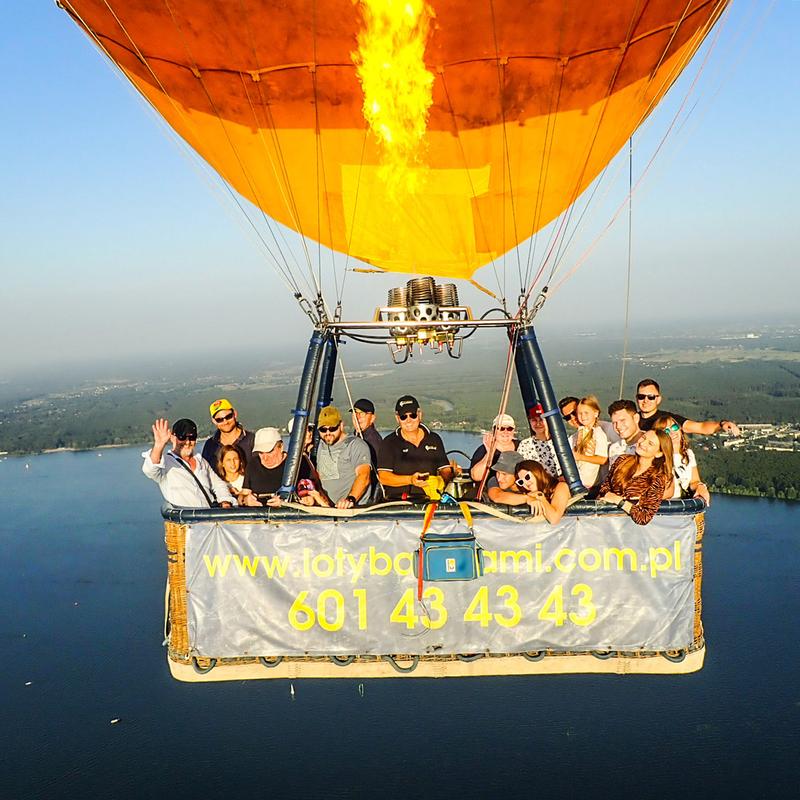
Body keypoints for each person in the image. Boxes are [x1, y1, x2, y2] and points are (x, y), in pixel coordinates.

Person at [142, 418, 234, 508]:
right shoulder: (166, 463)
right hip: (185, 522)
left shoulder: (201, 461)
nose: (187, 442)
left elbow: (218, 484)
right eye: (182, 437)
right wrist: (159, 445)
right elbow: (150, 469)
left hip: (210, 519)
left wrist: (225, 501)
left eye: (191, 437)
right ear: (172, 438)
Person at [378, 395, 453, 501]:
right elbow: (383, 477)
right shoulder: (389, 442)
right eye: (403, 417)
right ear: (397, 418)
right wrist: (410, 480)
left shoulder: (434, 439)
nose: (409, 420)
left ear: (419, 414)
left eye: (412, 415)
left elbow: (445, 470)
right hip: (398, 503)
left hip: (430, 503)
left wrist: (445, 478)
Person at [597, 429, 674, 525]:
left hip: (631, 530)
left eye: (650, 443)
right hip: (606, 522)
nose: (643, 443)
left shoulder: (658, 477)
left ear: (659, 453)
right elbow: (604, 488)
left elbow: (644, 517)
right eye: (643, 438)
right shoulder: (622, 460)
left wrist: (619, 501)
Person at [311, 406, 372, 509]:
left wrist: (350, 499)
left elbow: (364, 476)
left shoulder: (356, 445)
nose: (328, 433)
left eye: (332, 428)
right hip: (328, 509)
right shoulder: (321, 445)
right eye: (323, 429)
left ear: (341, 425)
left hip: (352, 509)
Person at [635, 378, 741, 437]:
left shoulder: (669, 420)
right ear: (636, 399)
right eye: (641, 396)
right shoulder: (630, 420)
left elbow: (700, 427)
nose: (646, 400)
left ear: (658, 399)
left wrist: (722, 424)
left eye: (651, 397)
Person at [242, 427, 312, 506]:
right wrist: (246, 500)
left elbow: (311, 497)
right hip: (259, 515)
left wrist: (287, 501)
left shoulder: (298, 463)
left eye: (269, 452)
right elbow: (243, 494)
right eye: (261, 453)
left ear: (281, 447)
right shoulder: (253, 464)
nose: (265, 458)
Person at [653, 413, 711, 505]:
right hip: (664, 506)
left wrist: (700, 487)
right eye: (666, 431)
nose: (672, 432)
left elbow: (694, 481)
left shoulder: (688, 454)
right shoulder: (657, 457)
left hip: (683, 505)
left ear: (680, 429)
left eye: (674, 427)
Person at [202, 398, 255, 476]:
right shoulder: (210, 446)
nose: (225, 422)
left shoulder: (251, 440)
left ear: (235, 414)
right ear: (214, 421)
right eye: (219, 420)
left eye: (228, 416)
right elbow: (205, 473)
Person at [513, 459, 571, 524]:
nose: (526, 483)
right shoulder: (528, 495)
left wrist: (540, 497)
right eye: (521, 482)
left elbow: (554, 519)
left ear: (537, 472)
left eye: (527, 477)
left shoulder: (561, 486)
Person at [570, 395, 609, 490]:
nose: (583, 417)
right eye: (580, 413)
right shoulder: (578, 434)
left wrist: (580, 457)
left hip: (589, 484)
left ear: (595, 413)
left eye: (586, 413)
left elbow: (603, 459)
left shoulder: (598, 433)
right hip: (577, 480)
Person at [470, 413, 519, 483]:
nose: (505, 432)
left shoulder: (522, 446)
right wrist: (489, 453)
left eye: (509, 429)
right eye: (501, 428)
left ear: (513, 431)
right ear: (493, 431)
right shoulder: (483, 449)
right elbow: (476, 476)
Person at [517, 404, 561, 477]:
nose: (538, 423)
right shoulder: (525, 444)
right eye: (534, 420)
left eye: (541, 420)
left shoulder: (560, 442)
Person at [607, 399, 644, 466]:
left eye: (622, 420)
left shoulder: (648, 446)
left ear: (636, 418)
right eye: (614, 423)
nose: (618, 426)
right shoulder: (614, 448)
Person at [350, 398, 382, 464]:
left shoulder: (373, 441)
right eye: (354, 412)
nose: (357, 417)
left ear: (372, 418)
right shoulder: (355, 437)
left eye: (362, 413)